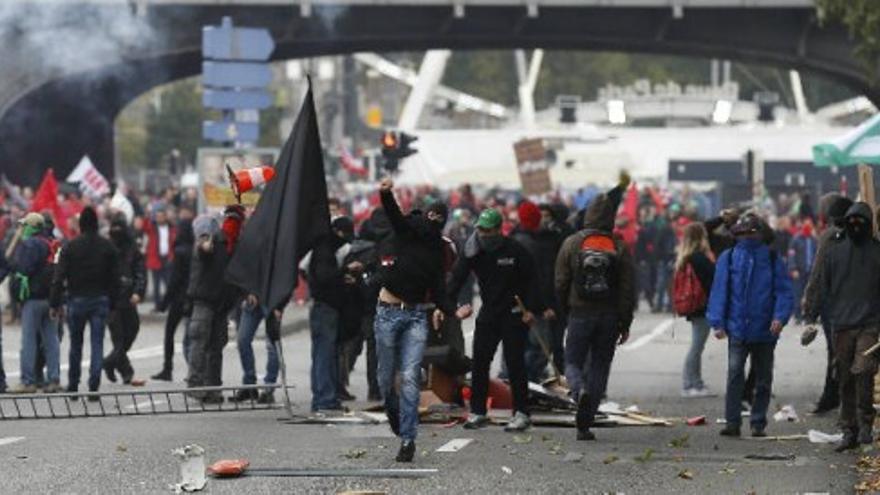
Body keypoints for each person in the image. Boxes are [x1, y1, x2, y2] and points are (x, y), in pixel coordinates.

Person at [555, 178, 636, 441]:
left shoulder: (572, 243)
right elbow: (627, 288)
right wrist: (626, 321)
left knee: (572, 361)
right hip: (609, 315)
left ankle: (578, 391)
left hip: (579, 313)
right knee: (601, 364)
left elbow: (560, 281)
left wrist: (561, 309)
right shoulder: (619, 246)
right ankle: (586, 422)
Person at [374, 178, 448, 463]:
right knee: (385, 379)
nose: (433, 225)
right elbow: (393, 215)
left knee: (408, 378)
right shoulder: (407, 231)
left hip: (416, 315)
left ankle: (408, 439)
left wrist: (448, 308)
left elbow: (439, 283)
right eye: (432, 217)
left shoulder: (437, 249)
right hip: (388, 312)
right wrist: (385, 193)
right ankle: (395, 416)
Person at [451, 207, 544, 432]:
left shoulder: (515, 249)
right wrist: (445, 306)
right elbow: (456, 278)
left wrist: (532, 309)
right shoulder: (474, 250)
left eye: (488, 230)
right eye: (480, 229)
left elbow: (533, 279)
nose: (484, 234)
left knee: (515, 364)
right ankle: (478, 412)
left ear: (498, 229)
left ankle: (521, 412)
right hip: (489, 313)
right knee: (480, 363)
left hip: (514, 312)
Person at [707, 213, 793, 438]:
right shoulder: (730, 256)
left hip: (765, 329)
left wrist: (780, 317)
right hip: (738, 328)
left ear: (759, 233)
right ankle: (733, 422)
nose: (746, 236)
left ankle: (757, 422)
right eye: (742, 232)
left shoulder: (772, 258)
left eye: (750, 232)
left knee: (762, 379)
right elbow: (719, 291)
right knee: (736, 376)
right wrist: (717, 321)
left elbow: (783, 292)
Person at [804, 202, 880, 451]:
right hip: (843, 325)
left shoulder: (877, 252)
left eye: (861, 221)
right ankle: (850, 429)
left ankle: (865, 424)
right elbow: (821, 283)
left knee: (863, 372)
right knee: (846, 377)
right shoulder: (835, 253)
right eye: (852, 221)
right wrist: (811, 317)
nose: (856, 226)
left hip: (869, 324)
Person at [50, 207, 119, 399]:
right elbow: (116, 279)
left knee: (76, 344)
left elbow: (59, 277)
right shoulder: (107, 247)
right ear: (96, 224)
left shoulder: (70, 247)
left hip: (77, 299)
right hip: (100, 300)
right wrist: (114, 305)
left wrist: (54, 303)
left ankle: (73, 385)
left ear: (80, 225)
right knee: (97, 343)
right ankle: (94, 385)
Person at [802, 193, 853, 414]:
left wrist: (810, 312)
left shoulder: (830, 237)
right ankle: (839, 400)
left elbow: (819, 274)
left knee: (837, 354)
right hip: (859, 304)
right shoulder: (864, 235)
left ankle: (835, 399)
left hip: (834, 305)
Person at [185, 212, 239, 404]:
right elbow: (203, 249)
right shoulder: (210, 242)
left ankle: (212, 388)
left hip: (219, 303)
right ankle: (197, 385)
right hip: (205, 301)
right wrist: (205, 245)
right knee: (201, 343)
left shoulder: (227, 244)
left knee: (215, 346)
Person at [510, 200, 563, 383]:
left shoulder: (513, 239)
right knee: (538, 346)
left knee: (517, 346)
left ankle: (515, 380)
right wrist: (543, 306)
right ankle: (528, 381)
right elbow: (539, 279)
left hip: (516, 304)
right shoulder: (534, 244)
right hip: (531, 305)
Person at [9, 213, 61, 393]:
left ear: (31, 227)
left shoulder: (30, 244)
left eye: (24, 225)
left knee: (29, 341)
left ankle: (28, 381)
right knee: (51, 340)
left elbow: (23, 268)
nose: (22, 229)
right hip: (51, 298)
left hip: (32, 298)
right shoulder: (52, 243)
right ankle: (54, 379)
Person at [102, 216, 147, 385]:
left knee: (132, 330)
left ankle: (109, 361)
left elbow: (140, 272)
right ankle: (126, 372)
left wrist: (138, 292)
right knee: (118, 337)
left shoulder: (132, 249)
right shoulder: (106, 248)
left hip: (129, 298)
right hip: (112, 300)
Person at [674, 223, 716, 398]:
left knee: (697, 346)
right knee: (696, 347)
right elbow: (712, 280)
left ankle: (696, 382)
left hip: (694, 305)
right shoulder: (699, 258)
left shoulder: (685, 258)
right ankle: (689, 384)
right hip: (702, 306)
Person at [152, 218, 194, 381]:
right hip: (192, 297)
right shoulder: (194, 250)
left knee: (170, 334)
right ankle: (194, 369)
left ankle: (167, 368)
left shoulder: (179, 252)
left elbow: (174, 280)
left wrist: (163, 303)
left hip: (178, 299)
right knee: (190, 336)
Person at [230, 295, 280, 404]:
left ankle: (268, 389)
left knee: (272, 344)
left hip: (272, 298)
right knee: (242, 340)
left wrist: (280, 302)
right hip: (252, 298)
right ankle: (249, 385)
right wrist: (247, 293)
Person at [144, 208, 175, 308]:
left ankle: (169, 303)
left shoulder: (171, 228)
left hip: (168, 257)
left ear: (165, 217)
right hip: (156, 258)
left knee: (168, 282)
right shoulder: (152, 228)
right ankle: (157, 305)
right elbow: (144, 227)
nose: (159, 219)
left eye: (161, 216)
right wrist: (148, 216)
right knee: (156, 284)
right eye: (157, 217)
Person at [788, 219, 817, 324]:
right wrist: (793, 268)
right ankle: (798, 315)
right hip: (799, 271)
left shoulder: (814, 240)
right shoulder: (796, 239)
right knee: (798, 293)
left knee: (810, 294)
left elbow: (817, 255)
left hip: (811, 272)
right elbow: (791, 255)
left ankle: (808, 315)